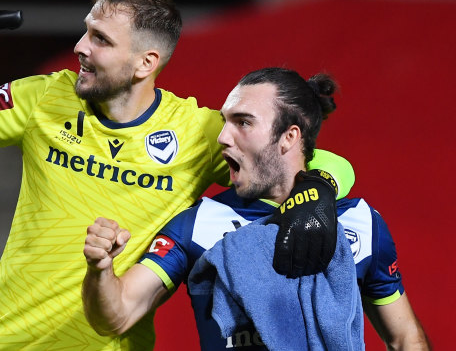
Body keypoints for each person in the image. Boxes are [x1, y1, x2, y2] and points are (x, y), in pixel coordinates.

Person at [0, 0, 355, 350]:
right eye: (85, 31)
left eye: (100, 38)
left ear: (145, 63)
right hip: (6, 341)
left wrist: (316, 190)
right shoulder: (44, 99)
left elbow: (320, 162)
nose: (80, 47)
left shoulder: (196, 132)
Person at [83, 67, 430, 350]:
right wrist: (100, 269)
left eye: (243, 122)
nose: (222, 137)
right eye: (225, 121)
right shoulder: (199, 223)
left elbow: (405, 338)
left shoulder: (361, 223)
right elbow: (116, 316)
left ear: (289, 137)